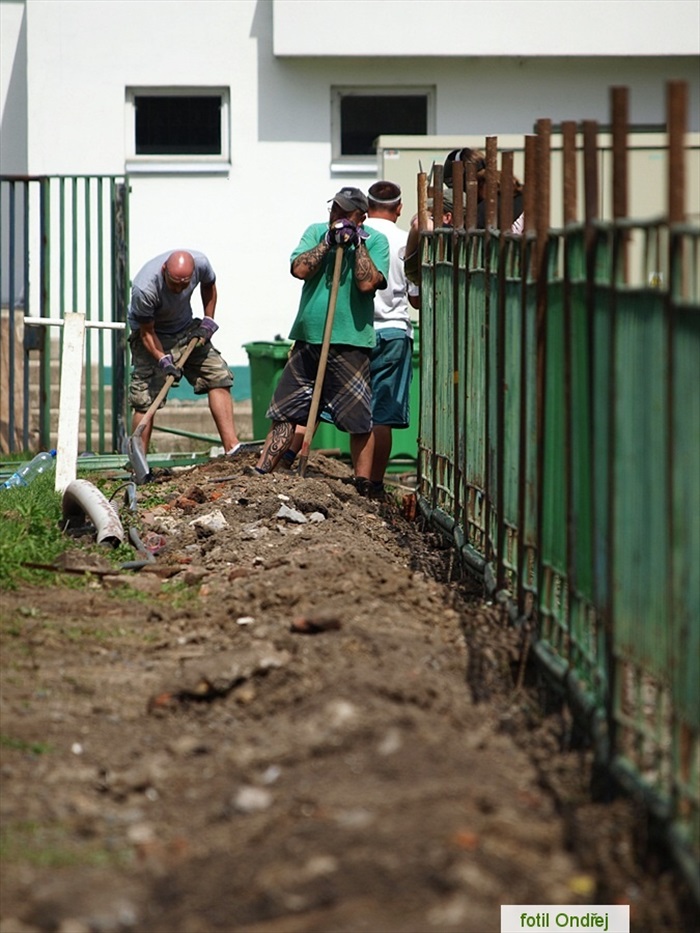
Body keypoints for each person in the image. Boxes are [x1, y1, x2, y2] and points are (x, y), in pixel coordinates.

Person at [253, 187, 389, 491]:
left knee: (357, 418)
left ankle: (363, 484)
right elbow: (299, 269)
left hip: (351, 343)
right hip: (308, 340)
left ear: (361, 217)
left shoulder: (376, 241)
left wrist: (357, 245)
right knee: (285, 410)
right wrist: (328, 243)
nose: (336, 216)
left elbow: (368, 283)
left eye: (344, 213)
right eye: (334, 210)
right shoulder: (316, 232)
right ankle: (263, 470)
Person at [127, 249, 241, 455]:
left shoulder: (201, 263)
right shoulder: (144, 289)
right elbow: (146, 333)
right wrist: (163, 360)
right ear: (164, 271)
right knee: (145, 400)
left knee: (218, 376)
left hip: (186, 328)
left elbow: (209, 285)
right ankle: (138, 462)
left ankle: (232, 448)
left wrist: (208, 320)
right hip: (153, 335)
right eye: (175, 284)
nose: (180, 289)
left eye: (185, 284)